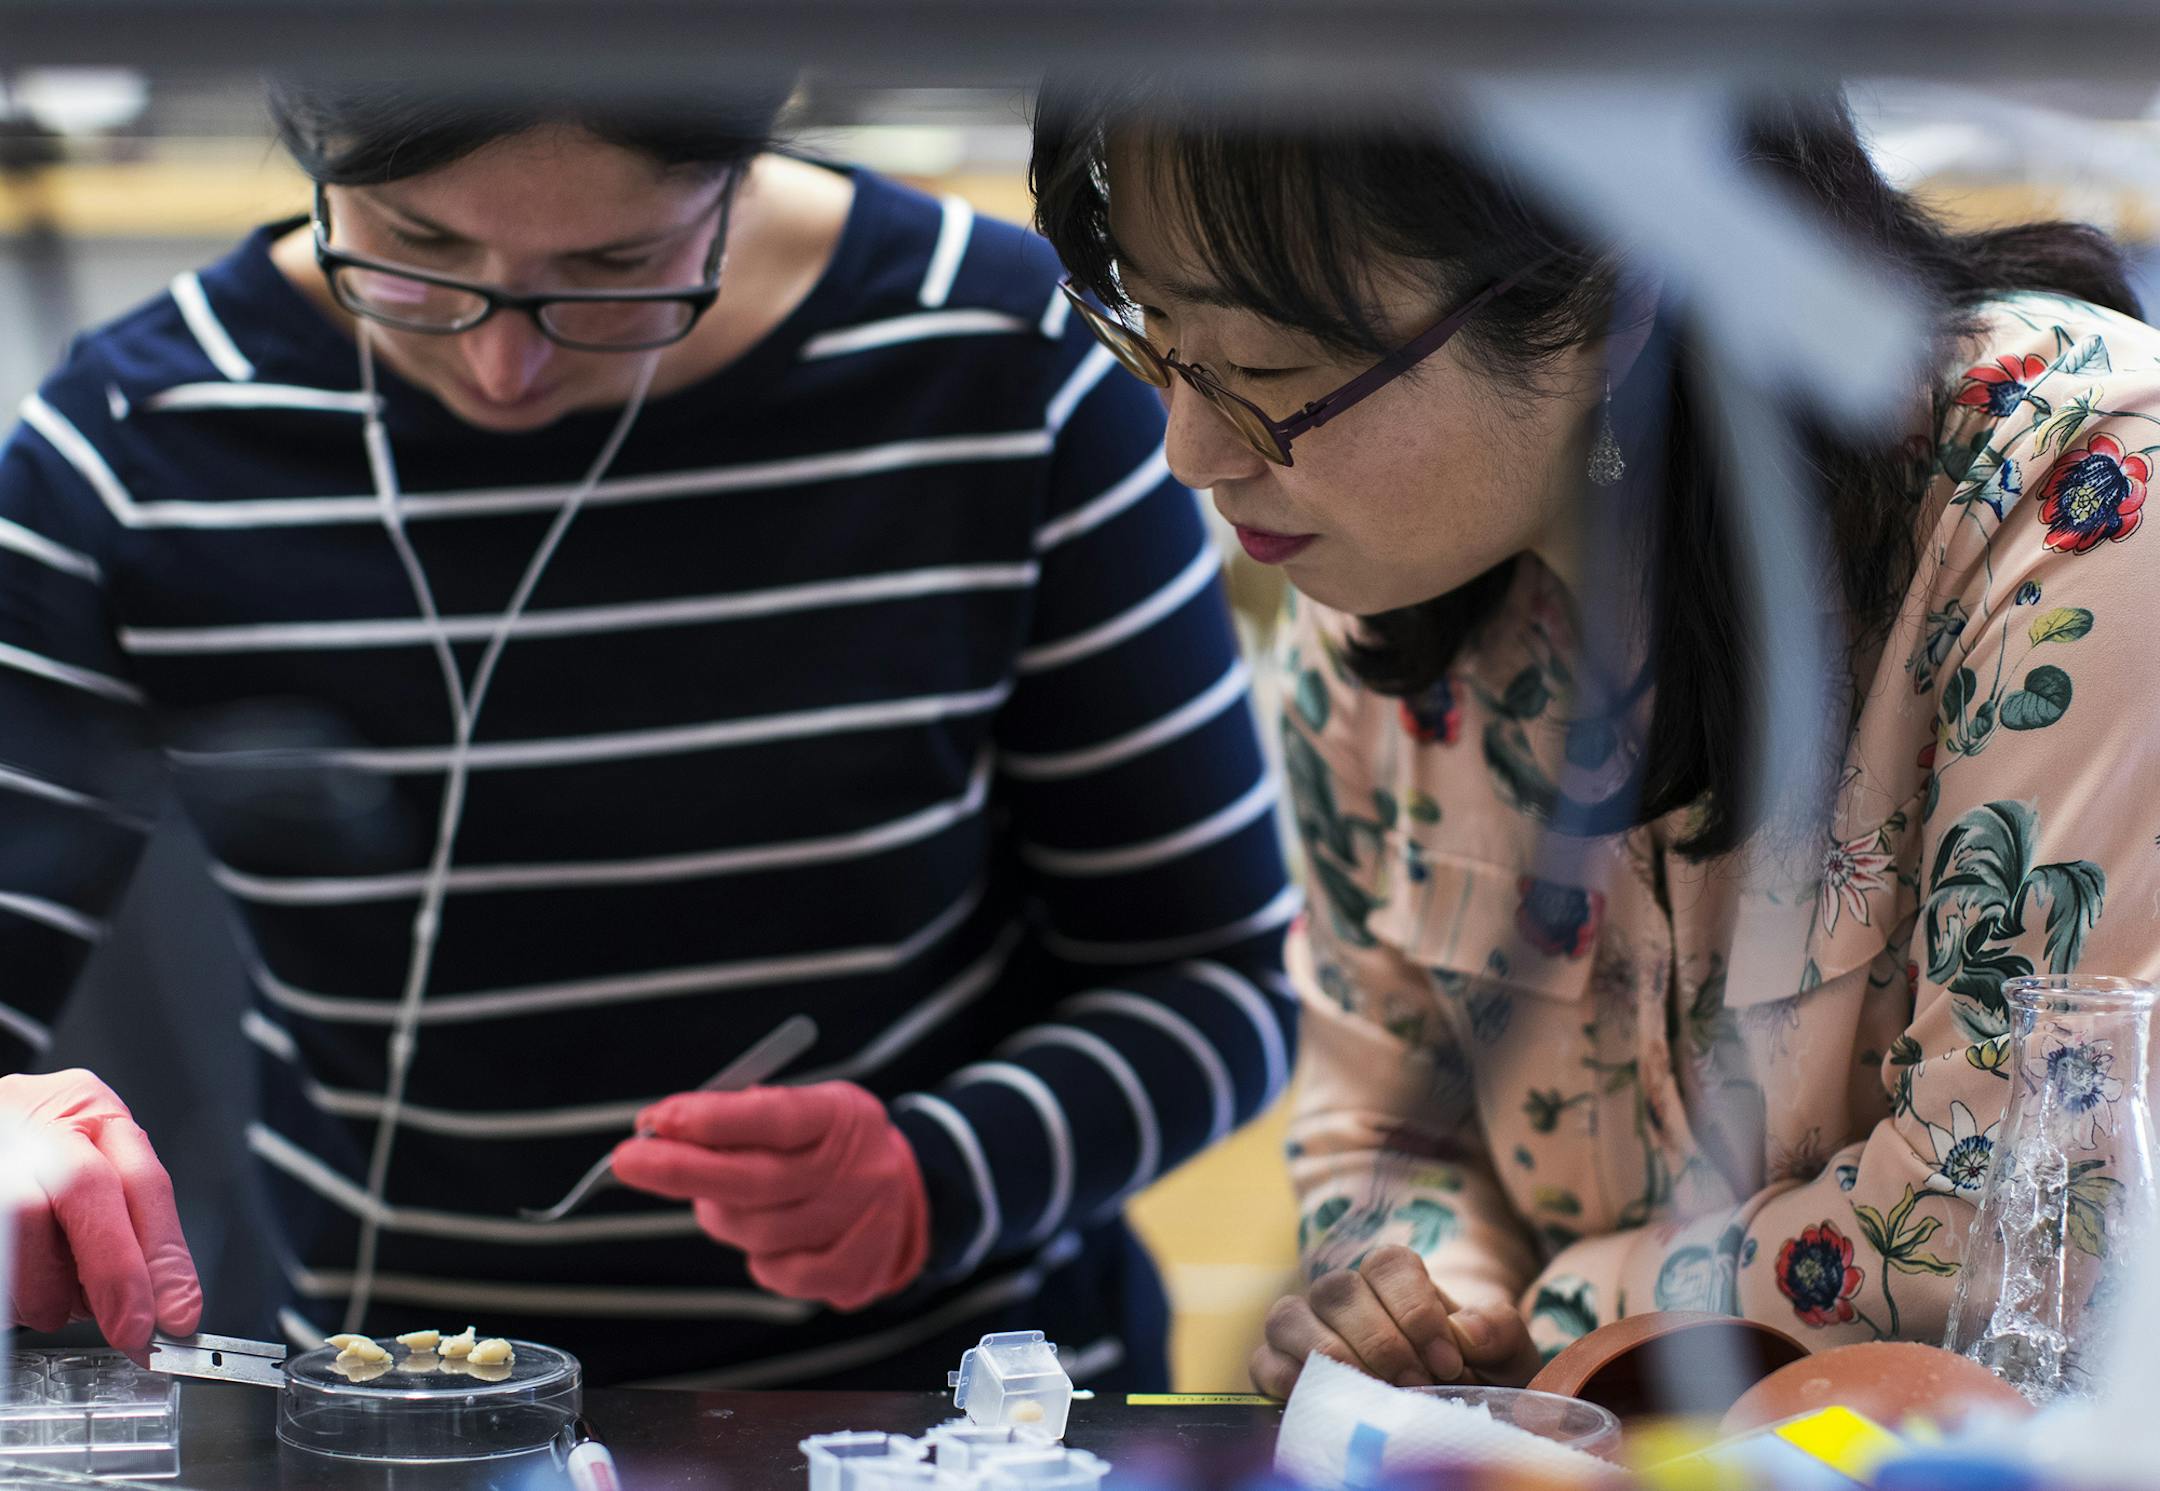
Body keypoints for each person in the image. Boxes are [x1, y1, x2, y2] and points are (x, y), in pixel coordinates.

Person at [0, 80, 1298, 1389]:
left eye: (616, 267)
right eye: (414, 250)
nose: (502, 366)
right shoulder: (132, 445)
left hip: (949, 1425)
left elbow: (1221, 976)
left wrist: (944, 1173)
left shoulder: (1001, 356)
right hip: (411, 1424)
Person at [1030, 83, 2160, 1392]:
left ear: (1611, 296)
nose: (1191, 449)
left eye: (1270, 371)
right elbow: (1383, 1140)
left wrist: (1557, 1308)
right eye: (1157, 342)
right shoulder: (1383, 601)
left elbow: (2026, 1233)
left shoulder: (2078, 510)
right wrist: (1413, 1308)